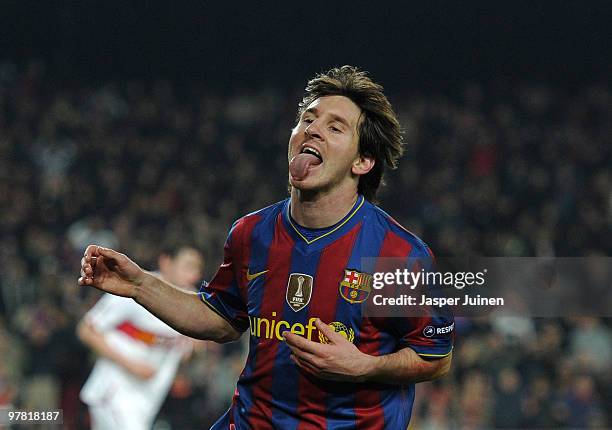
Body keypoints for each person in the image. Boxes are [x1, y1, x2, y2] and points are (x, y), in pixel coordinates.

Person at [78, 66, 454, 429]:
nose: (313, 131)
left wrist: (365, 366)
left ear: (362, 161)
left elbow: (435, 357)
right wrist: (140, 285)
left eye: (334, 127)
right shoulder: (251, 233)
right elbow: (223, 320)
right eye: (308, 119)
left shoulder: (397, 253)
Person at [77, 246, 204, 430]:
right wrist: (132, 365)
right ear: (166, 262)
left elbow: (189, 350)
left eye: (197, 269)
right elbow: (86, 330)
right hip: (116, 391)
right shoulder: (136, 288)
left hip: (147, 401)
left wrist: (193, 350)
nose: (194, 275)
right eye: (188, 266)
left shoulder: (193, 303)